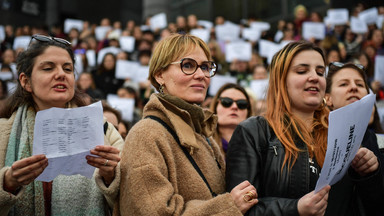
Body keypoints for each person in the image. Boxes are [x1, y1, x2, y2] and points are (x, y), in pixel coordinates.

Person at [115, 34, 258, 215]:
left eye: (206, 67)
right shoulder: (146, 134)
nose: (200, 75)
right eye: (188, 65)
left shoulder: (203, 134)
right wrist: (228, 207)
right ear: (159, 75)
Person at [0, 34, 124, 215]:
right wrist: (7, 183)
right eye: (48, 68)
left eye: (67, 69)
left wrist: (112, 177)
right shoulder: (3, 133)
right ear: (26, 81)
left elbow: (132, 198)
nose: (60, 74)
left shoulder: (103, 128)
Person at [226, 41, 331, 215]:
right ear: (280, 81)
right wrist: (295, 209)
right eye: (302, 71)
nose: (314, 77)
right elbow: (241, 210)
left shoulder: (339, 135)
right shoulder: (253, 132)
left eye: (320, 72)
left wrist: (368, 174)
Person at [324, 61, 384, 215]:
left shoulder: (376, 142)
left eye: (360, 84)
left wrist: (371, 174)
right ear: (327, 98)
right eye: (343, 84)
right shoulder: (310, 139)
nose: (353, 87)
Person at [209, 83, 253, 157]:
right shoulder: (202, 142)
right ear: (215, 107)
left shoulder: (259, 146)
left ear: (248, 111)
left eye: (241, 104)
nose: (234, 107)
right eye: (226, 102)